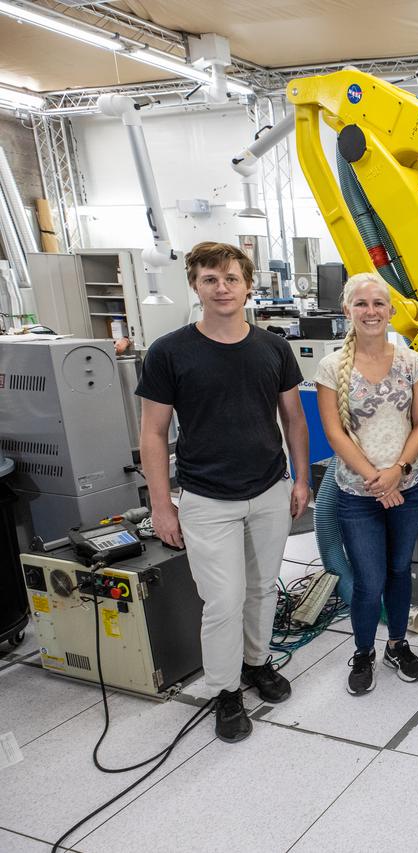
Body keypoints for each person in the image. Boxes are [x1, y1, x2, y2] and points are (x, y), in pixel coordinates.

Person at [137, 241, 310, 743]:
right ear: (195, 285)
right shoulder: (170, 352)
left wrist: (300, 479)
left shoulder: (273, 347)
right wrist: (161, 502)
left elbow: (293, 419)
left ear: (248, 285)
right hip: (207, 498)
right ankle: (225, 690)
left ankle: (256, 663)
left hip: (268, 490)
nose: (222, 288)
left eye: (231, 278)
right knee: (223, 599)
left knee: (261, 589)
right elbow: (152, 433)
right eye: (210, 279)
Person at [316, 272, 418, 696]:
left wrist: (398, 471)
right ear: (347, 311)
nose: (371, 311)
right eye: (361, 304)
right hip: (357, 493)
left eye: (379, 303)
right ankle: (363, 650)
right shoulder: (331, 368)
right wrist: (375, 479)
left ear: (391, 310)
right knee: (368, 580)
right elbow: (334, 434)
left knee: (400, 571)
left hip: (409, 483)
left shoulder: (410, 362)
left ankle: (397, 645)